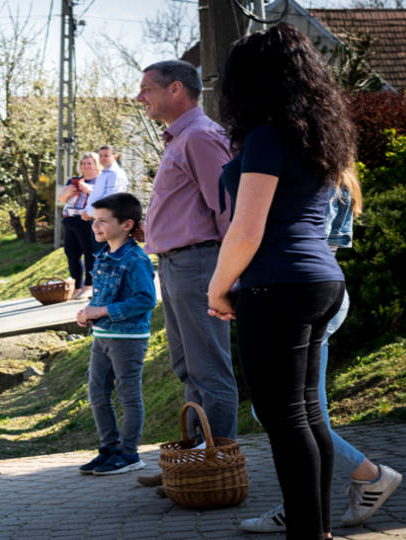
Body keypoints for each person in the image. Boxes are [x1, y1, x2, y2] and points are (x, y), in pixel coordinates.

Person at [207, 24, 353, 539]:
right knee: (306, 414)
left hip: (276, 284)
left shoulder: (269, 136)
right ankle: (318, 530)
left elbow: (247, 230)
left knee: (285, 418)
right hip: (319, 282)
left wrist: (217, 288)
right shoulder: (316, 133)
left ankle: (307, 533)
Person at [239, 167, 402, 533]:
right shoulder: (336, 179)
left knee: (292, 414)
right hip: (319, 293)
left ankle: (367, 477)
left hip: (301, 296)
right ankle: (305, 503)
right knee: (304, 412)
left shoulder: (310, 178)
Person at [134, 59, 237, 491]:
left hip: (199, 265)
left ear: (176, 89)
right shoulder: (181, 137)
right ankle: (193, 459)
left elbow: (228, 209)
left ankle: (216, 466)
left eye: (147, 90)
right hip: (177, 265)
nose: (141, 98)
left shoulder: (200, 137)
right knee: (187, 367)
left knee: (209, 369)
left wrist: (227, 278)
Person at [75, 193, 157, 476]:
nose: (95, 226)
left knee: (128, 396)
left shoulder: (135, 258)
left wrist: (102, 311)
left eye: (103, 221)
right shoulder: (102, 255)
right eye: (94, 220)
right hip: (102, 336)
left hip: (128, 339)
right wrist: (88, 312)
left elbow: (146, 299)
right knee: (97, 393)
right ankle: (109, 449)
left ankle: (129, 453)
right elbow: (102, 300)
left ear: (126, 224)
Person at [58, 153, 101, 300]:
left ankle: (89, 286)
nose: (86, 166)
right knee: (71, 254)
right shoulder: (73, 180)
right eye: (83, 163)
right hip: (69, 219)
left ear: (96, 164)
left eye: (89, 163)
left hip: (87, 220)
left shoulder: (100, 180)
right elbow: (61, 199)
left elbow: (102, 197)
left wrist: (87, 188)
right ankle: (76, 286)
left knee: (89, 252)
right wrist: (68, 192)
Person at [84, 145, 131, 218]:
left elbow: (109, 198)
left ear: (115, 157)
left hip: (108, 218)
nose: (102, 158)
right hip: (99, 217)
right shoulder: (103, 174)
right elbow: (96, 195)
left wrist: (90, 212)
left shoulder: (115, 174)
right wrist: (88, 211)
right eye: (100, 156)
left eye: (106, 156)